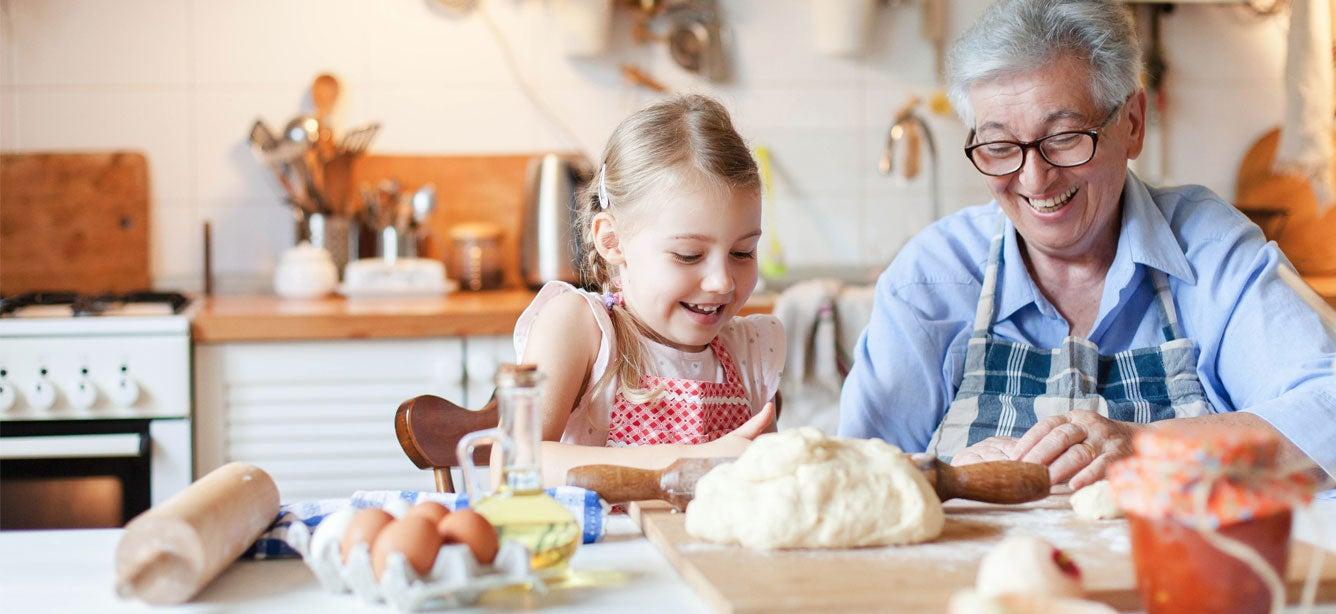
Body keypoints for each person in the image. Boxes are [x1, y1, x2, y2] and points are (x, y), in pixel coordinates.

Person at [839, 0, 1336, 490]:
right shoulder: (933, 276)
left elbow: (1327, 413)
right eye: (999, 146)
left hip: (1170, 567)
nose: (1035, 178)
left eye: (1065, 137)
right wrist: (954, 476)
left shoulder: (1208, 250)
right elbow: (856, 478)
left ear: (1133, 124)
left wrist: (1146, 448)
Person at [516, 94, 785, 487]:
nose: (722, 281)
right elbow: (515, 461)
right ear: (613, 241)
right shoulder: (580, 328)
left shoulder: (751, 351)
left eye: (742, 252)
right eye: (689, 255)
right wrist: (693, 460)